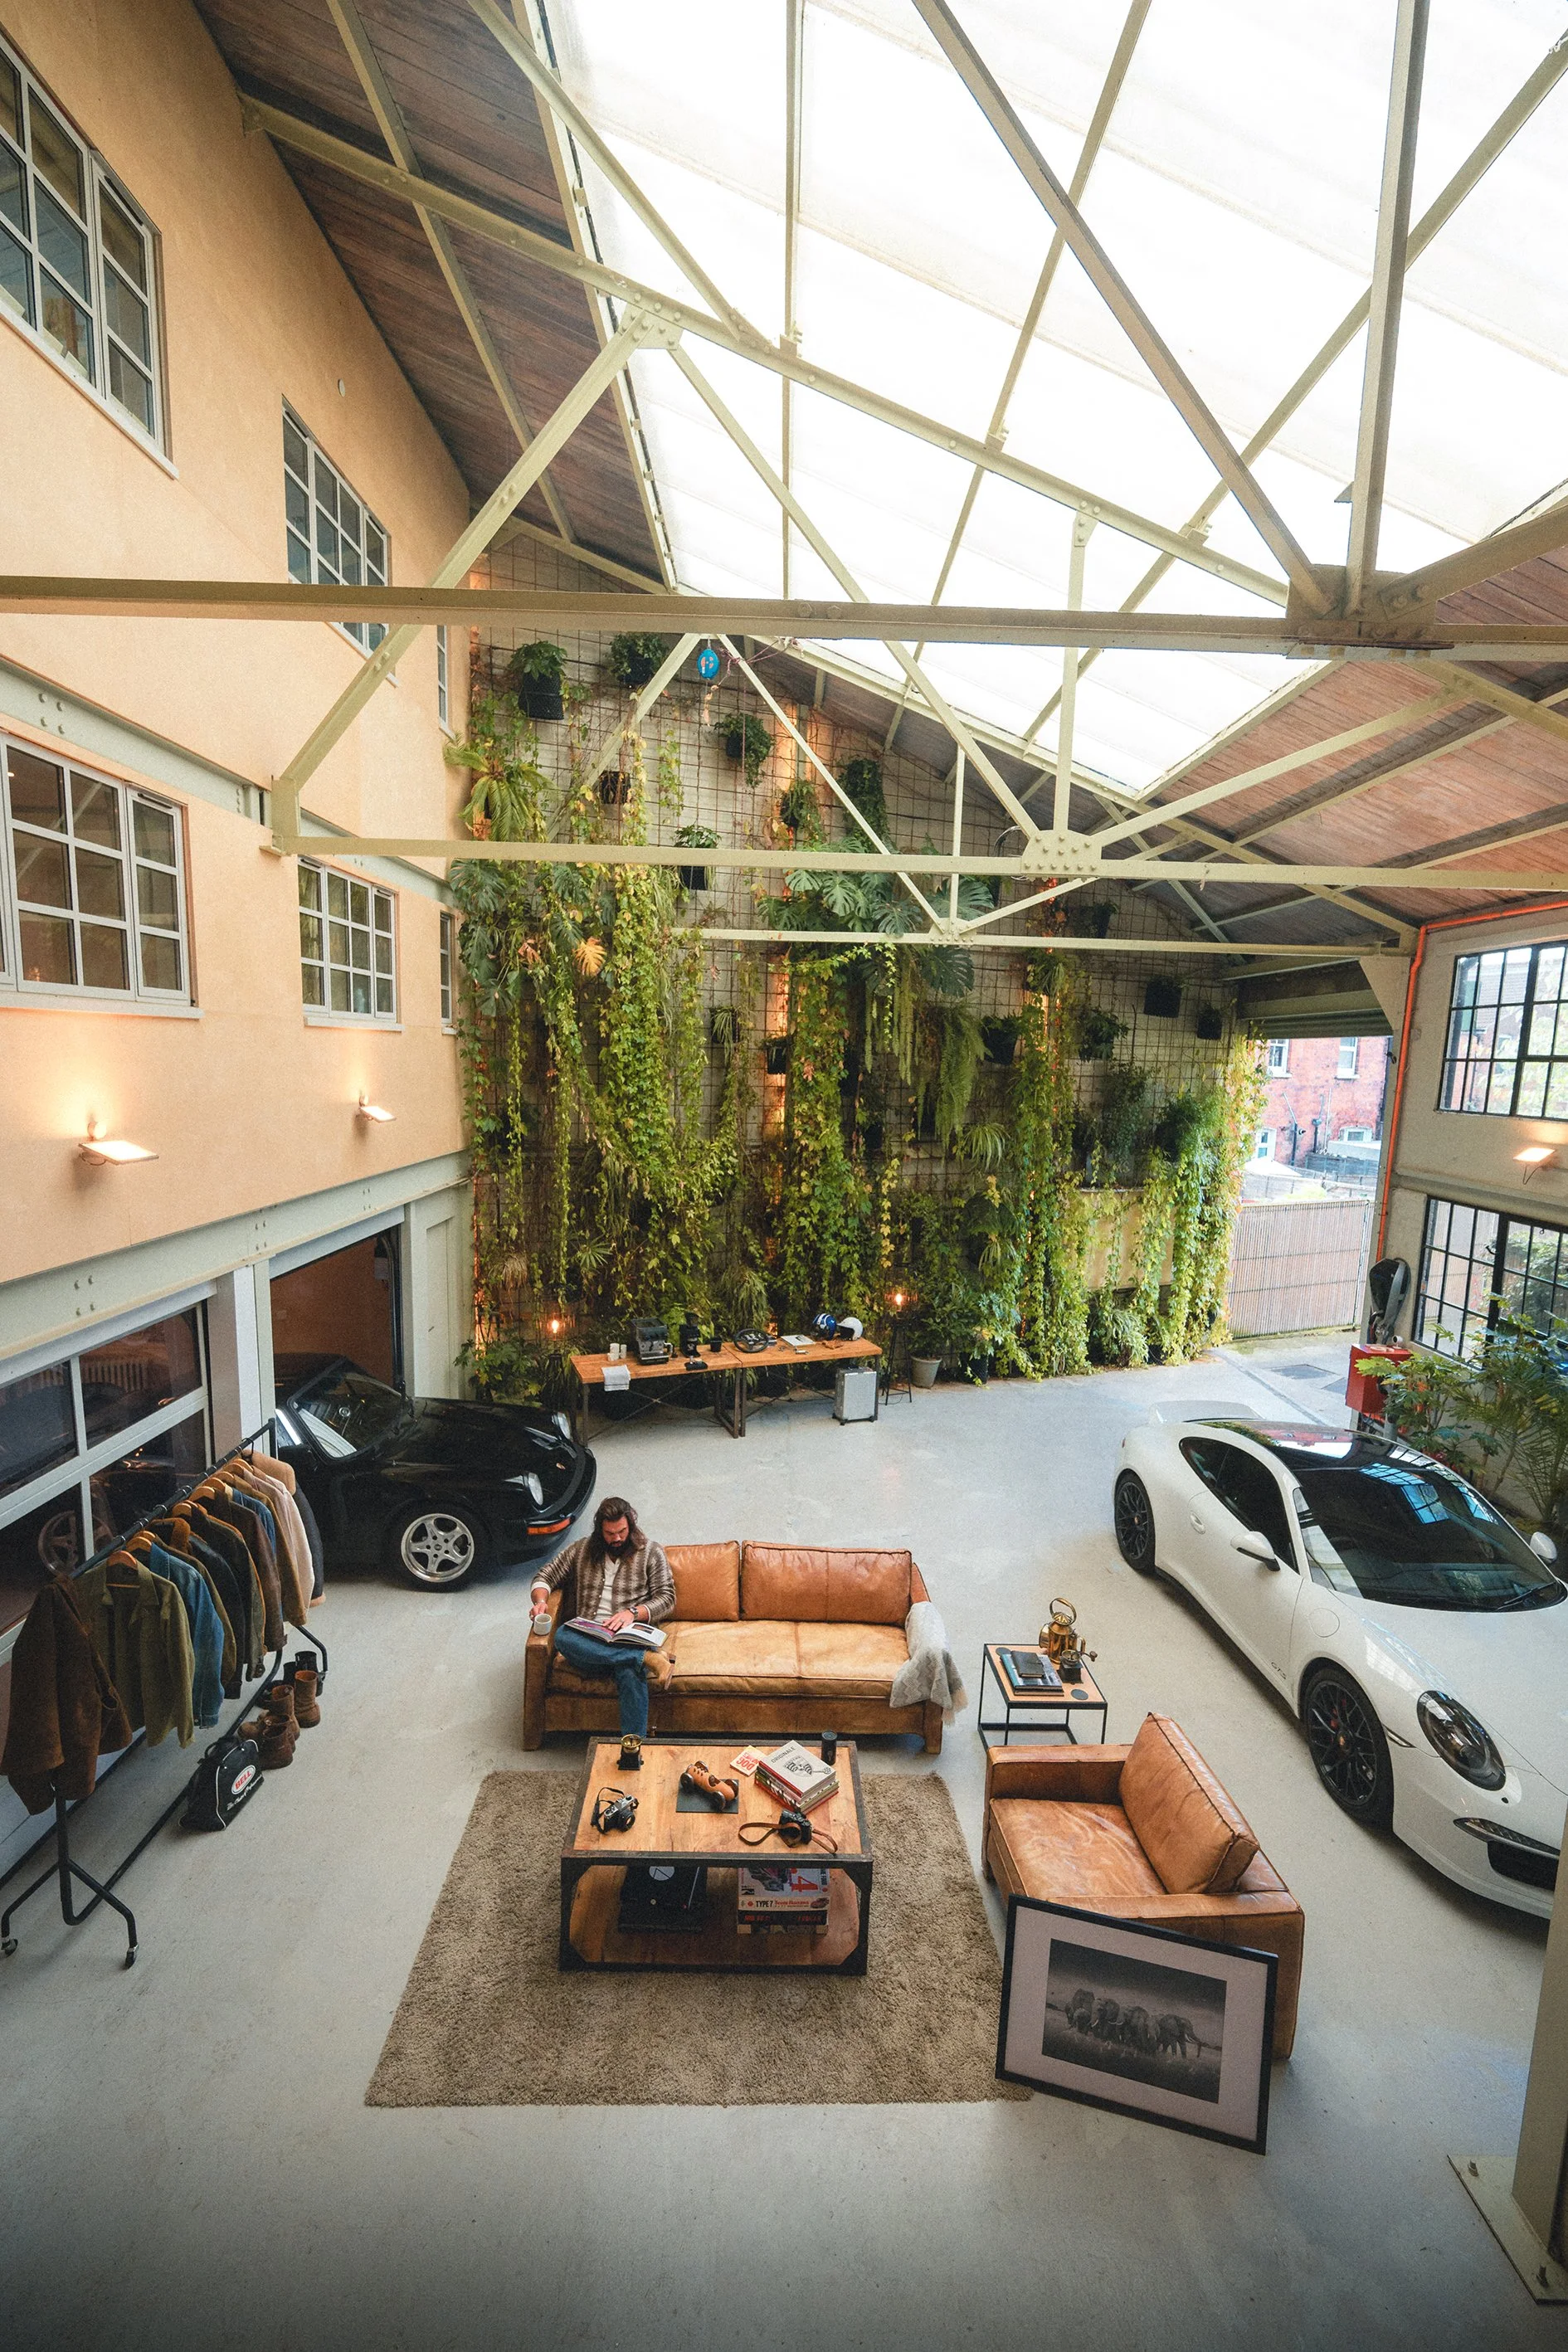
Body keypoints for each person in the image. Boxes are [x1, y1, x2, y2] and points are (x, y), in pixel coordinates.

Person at [528, 1497, 675, 1738]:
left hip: (629, 1635)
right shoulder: (582, 1549)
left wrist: (633, 1613)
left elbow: (667, 1598)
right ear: (600, 1529)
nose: (616, 1538)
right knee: (564, 1635)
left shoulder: (651, 1552)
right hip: (589, 1638)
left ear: (631, 1525)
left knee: (629, 1671)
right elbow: (545, 1576)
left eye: (622, 1532)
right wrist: (541, 1602)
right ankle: (645, 1659)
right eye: (609, 1533)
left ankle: (632, 1751)